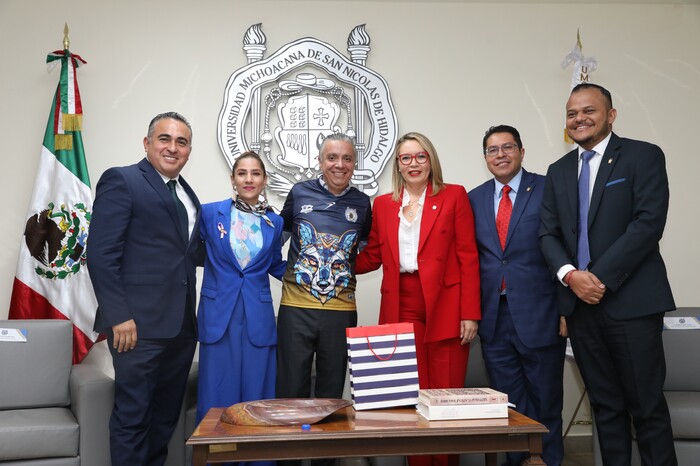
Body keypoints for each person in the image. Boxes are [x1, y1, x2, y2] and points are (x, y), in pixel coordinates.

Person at [539, 83, 677, 466]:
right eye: (571, 113)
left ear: (610, 115)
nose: (579, 118)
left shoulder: (642, 156)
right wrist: (570, 276)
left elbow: (648, 224)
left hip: (631, 304)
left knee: (646, 410)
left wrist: (594, 278)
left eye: (588, 110)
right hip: (582, 310)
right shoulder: (559, 170)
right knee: (605, 410)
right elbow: (547, 234)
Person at [355, 132, 481, 466]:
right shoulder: (383, 204)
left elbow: (468, 256)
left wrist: (470, 313)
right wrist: (329, 260)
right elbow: (373, 256)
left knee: (444, 397)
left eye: (420, 156)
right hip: (401, 303)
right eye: (406, 158)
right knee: (411, 399)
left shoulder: (454, 196)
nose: (414, 164)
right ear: (397, 164)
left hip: (447, 305)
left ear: (431, 160)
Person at [88, 112, 202, 466]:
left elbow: (189, 253)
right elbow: (101, 254)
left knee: (164, 418)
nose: (173, 147)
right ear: (147, 143)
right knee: (133, 417)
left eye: (181, 142)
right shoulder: (122, 180)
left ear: (189, 150)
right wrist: (119, 316)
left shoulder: (187, 193)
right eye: (164, 139)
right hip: (136, 329)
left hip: (181, 328)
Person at [469, 125, 566, 466]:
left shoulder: (547, 188)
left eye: (507, 147)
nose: (501, 155)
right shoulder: (475, 198)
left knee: (546, 402)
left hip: (541, 315)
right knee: (507, 408)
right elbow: (471, 259)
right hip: (495, 319)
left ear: (522, 152)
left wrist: (567, 309)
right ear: (485, 158)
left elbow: (565, 247)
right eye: (493, 150)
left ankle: (549, 461)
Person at [276, 132, 372, 402]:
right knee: (290, 390)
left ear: (354, 163)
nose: (339, 164)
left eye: (347, 158)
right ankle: (291, 444)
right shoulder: (299, 192)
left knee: (331, 396)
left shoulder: (363, 203)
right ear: (320, 161)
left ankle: (325, 445)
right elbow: (277, 239)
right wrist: (280, 270)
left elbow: (361, 250)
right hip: (296, 309)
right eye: (332, 158)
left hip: (340, 311)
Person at [197, 151, 286, 421]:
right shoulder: (211, 213)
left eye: (255, 174)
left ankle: (257, 463)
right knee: (216, 396)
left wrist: (310, 276)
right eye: (242, 173)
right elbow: (191, 253)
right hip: (218, 316)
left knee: (257, 399)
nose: (249, 179)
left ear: (264, 180)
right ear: (232, 179)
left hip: (257, 318)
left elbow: (274, 264)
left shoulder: (276, 221)